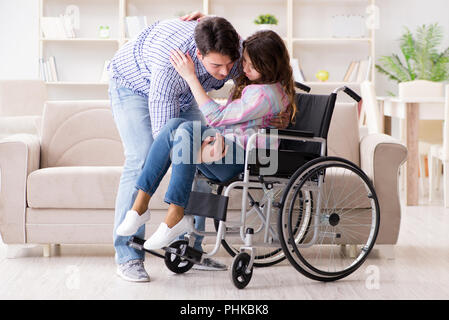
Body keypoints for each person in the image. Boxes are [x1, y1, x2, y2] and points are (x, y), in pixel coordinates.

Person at [108, 15, 291, 282]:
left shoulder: (241, 52)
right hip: (134, 83)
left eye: (232, 64)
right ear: (197, 54)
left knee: (188, 142)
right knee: (144, 156)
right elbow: (165, 141)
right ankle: (129, 254)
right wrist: (202, 142)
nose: (227, 73)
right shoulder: (169, 70)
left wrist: (283, 110)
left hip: (227, 132)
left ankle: (188, 247)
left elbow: (273, 67)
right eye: (217, 65)